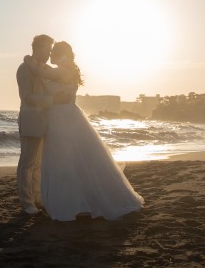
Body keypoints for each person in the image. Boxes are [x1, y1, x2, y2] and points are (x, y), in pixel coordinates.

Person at [25, 41, 144, 221]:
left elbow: (40, 72)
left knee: (63, 161)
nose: (50, 56)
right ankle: (79, 200)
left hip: (62, 118)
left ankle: (70, 203)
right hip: (63, 116)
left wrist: (29, 59)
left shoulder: (63, 70)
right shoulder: (66, 70)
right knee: (74, 160)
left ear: (60, 54)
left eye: (53, 53)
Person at [16, 34, 55, 215]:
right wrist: (50, 101)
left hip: (45, 121)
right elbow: (26, 96)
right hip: (31, 119)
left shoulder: (46, 69)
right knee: (27, 163)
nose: (48, 53)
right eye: (46, 49)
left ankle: (38, 198)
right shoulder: (24, 69)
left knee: (39, 163)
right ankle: (27, 202)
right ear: (37, 48)